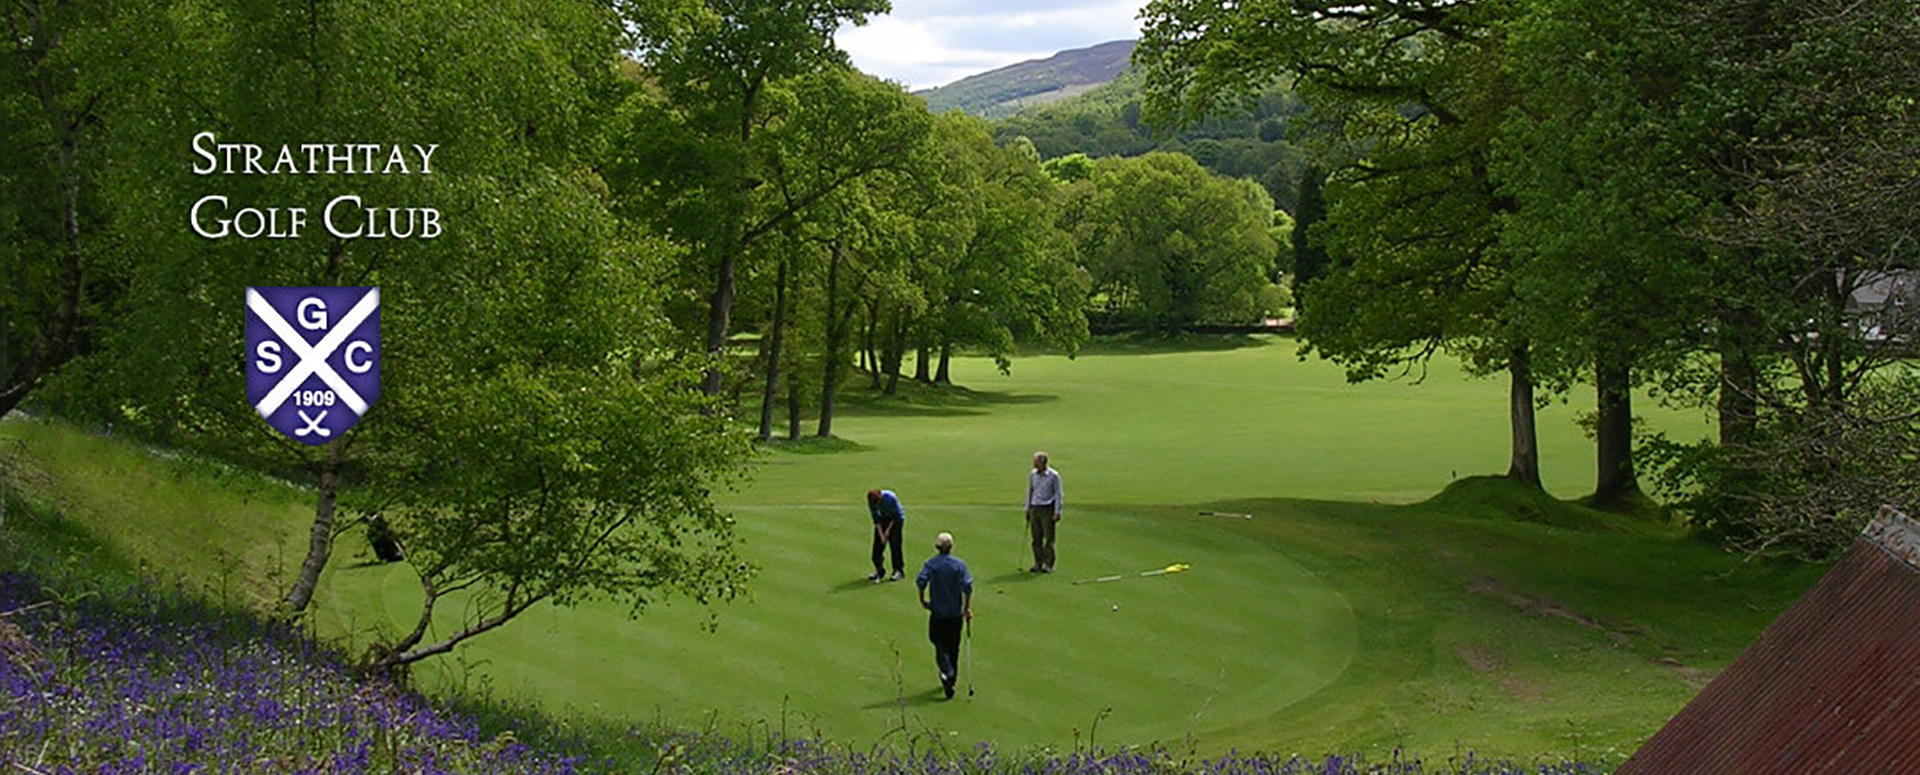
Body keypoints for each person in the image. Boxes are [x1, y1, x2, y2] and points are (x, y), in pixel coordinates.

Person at [916, 532, 973, 699]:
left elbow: (921, 581)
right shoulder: (959, 565)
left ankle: (947, 671)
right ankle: (951, 678)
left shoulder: (931, 564)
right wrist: (967, 607)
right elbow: (967, 587)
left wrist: (922, 599)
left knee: (938, 642)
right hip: (955, 613)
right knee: (953, 646)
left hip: (938, 612)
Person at [1025, 451, 1062, 573]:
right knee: (1036, 538)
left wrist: (1057, 512)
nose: (1034, 465)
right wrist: (1028, 508)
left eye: (1036, 463)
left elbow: (1058, 494)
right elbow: (1030, 491)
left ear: (1043, 463)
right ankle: (1038, 563)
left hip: (1047, 508)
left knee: (1049, 538)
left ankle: (1049, 564)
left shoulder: (1053, 475)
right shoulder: (1033, 475)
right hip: (1035, 507)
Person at [866, 488, 906, 582]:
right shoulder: (871, 503)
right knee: (877, 549)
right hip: (882, 519)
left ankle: (898, 571)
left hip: (896, 520)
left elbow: (895, 516)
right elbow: (876, 520)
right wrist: (881, 535)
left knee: (895, 546)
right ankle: (879, 571)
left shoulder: (890, 498)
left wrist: (887, 532)